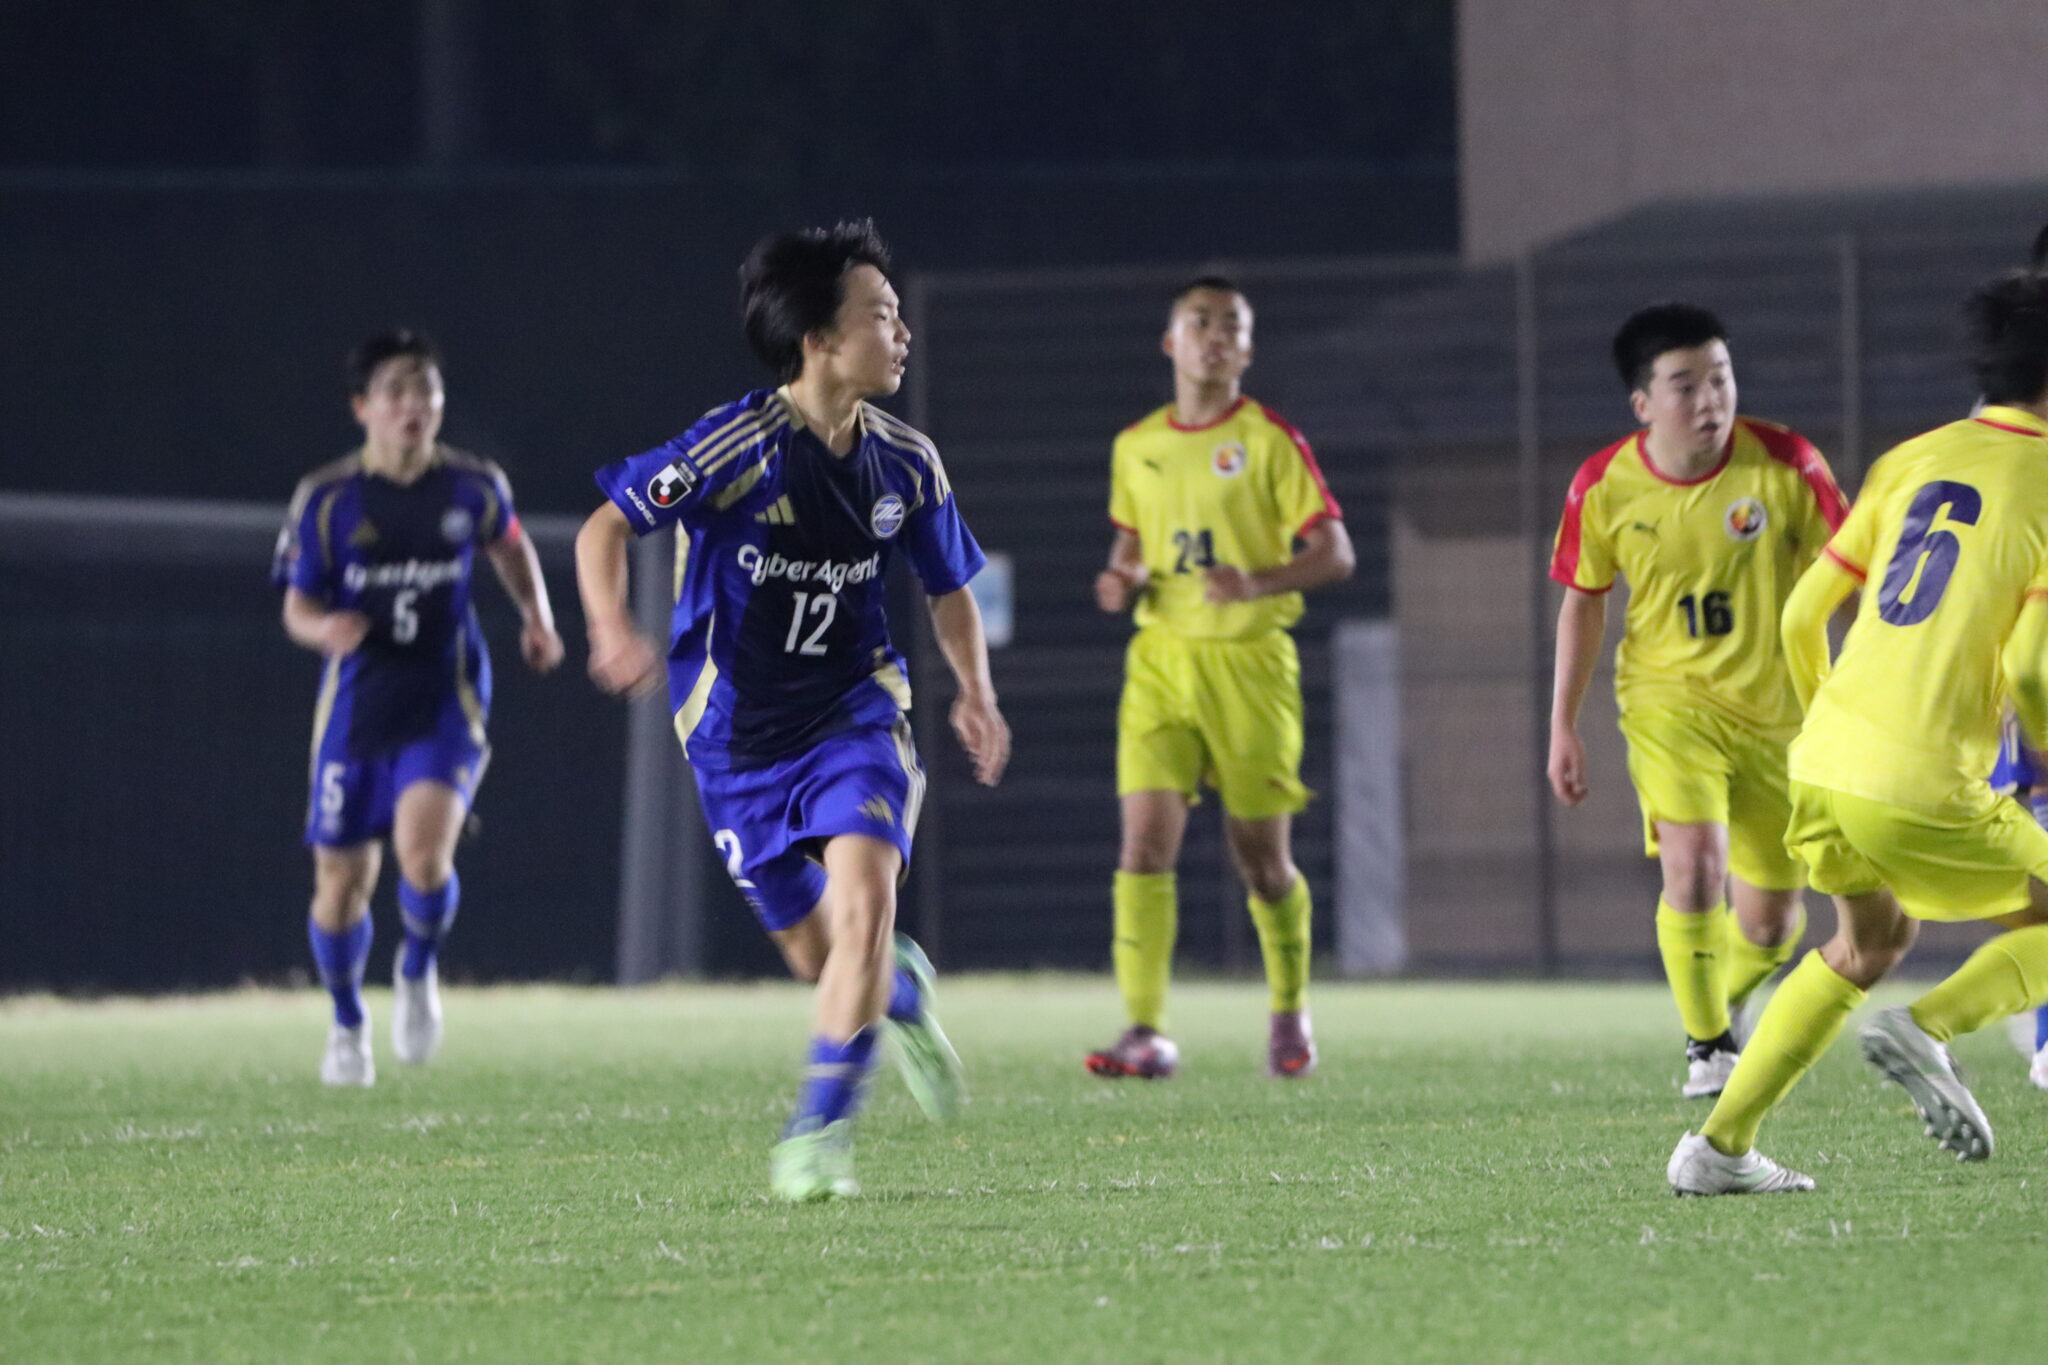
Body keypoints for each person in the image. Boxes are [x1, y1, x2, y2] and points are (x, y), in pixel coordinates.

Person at [575, 220, 1009, 1203]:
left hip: (856, 715)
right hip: (735, 743)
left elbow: (948, 585)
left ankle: (816, 1136)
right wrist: (608, 627)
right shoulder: (736, 445)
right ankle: (899, 990)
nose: (901, 331)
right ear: (817, 338)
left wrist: (975, 692)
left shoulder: (908, 462)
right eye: (880, 314)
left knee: (864, 906)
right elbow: (605, 525)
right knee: (823, 957)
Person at [1669, 269, 2048, 1195]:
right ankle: (1930, 1028)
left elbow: (1803, 615)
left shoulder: (1911, 458)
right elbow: (2035, 667)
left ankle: (1717, 1147)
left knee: (1865, 945)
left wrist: (1836, 723)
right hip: (1922, 774)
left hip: (1824, 759)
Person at [1549, 304, 1847, 1098]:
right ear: (1642, 404)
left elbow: (1854, 578)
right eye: (1685, 385)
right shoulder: (1602, 485)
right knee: (1693, 864)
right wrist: (1563, 725)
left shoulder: (1788, 464)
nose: (1709, 399)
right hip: (1667, 702)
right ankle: (1709, 1046)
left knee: (1771, 925)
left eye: (1720, 378)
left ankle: (1723, 999)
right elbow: (1584, 601)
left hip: (1782, 714)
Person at [274, 328, 564, 1087]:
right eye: (396, 392)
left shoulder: (472, 485)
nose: (414, 406)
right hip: (358, 708)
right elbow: (297, 606)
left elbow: (509, 544)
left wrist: (537, 616)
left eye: (426, 391)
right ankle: (346, 1024)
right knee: (340, 885)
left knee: (425, 857)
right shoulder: (328, 499)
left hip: (444, 696)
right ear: (362, 407)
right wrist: (324, 629)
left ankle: (416, 968)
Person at [1085, 276, 1353, 1082]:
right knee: (1142, 846)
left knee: (1262, 861)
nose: (1214, 336)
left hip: (1249, 665)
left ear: (1247, 349)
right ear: (1171, 342)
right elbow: (1131, 547)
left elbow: (1335, 553)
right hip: (1161, 663)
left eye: (1231, 325)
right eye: (1199, 322)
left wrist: (1257, 581)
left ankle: (1289, 1008)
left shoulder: (1269, 441)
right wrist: (1121, 578)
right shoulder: (1136, 445)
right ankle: (1144, 1029)